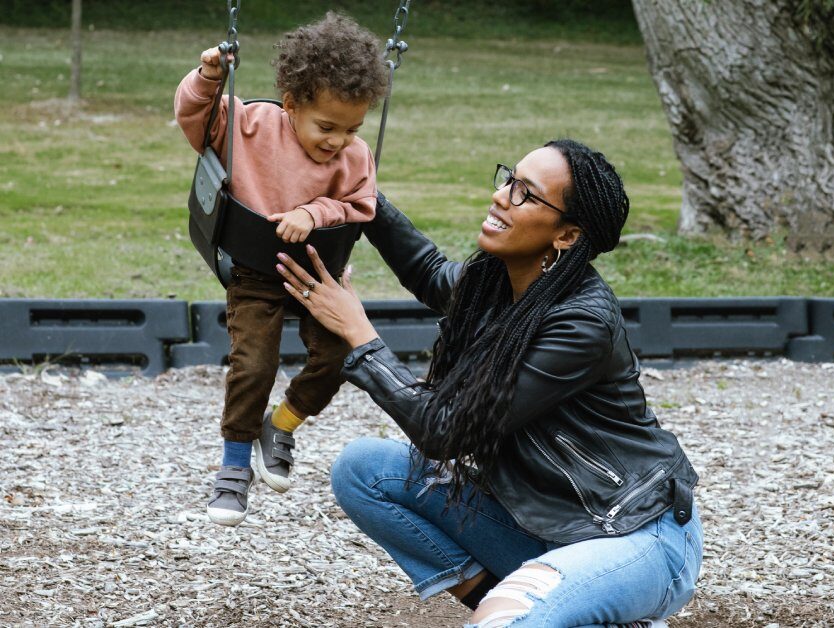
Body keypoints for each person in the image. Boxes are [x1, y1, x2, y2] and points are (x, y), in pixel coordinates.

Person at [276, 140, 703, 626]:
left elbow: (446, 432)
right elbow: (429, 272)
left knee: (510, 618)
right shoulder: (497, 285)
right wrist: (361, 194)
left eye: (526, 193)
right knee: (364, 470)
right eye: (509, 179)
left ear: (566, 234)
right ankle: (533, 604)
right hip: (543, 527)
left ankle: (546, 607)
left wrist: (359, 333)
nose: (502, 195)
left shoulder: (581, 324)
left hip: (634, 536)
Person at [173, 12, 391, 526]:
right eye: (328, 126)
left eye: (353, 128)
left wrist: (313, 212)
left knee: (339, 357)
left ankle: (282, 423)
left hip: (320, 274)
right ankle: (233, 467)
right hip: (255, 270)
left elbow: (360, 205)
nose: (340, 141)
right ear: (291, 105)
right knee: (253, 365)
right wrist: (208, 77)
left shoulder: (354, 156)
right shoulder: (249, 124)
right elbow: (194, 117)